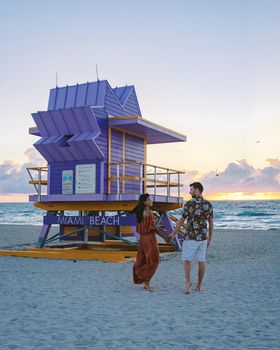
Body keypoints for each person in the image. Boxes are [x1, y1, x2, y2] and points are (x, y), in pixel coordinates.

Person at [170, 182, 213, 294]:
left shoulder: (189, 204)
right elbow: (211, 223)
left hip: (191, 237)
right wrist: (210, 238)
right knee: (201, 261)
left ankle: (188, 282)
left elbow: (181, 220)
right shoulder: (208, 204)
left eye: (191, 189)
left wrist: (174, 232)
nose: (190, 192)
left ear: (197, 190)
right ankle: (199, 286)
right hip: (203, 238)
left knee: (187, 260)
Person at [132, 193, 165, 291]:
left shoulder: (139, 212)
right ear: (144, 202)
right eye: (149, 199)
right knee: (154, 260)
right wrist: (166, 237)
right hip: (150, 239)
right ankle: (146, 281)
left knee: (143, 259)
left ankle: (144, 279)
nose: (151, 201)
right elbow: (154, 228)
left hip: (142, 238)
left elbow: (139, 228)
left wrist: (139, 241)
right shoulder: (149, 212)